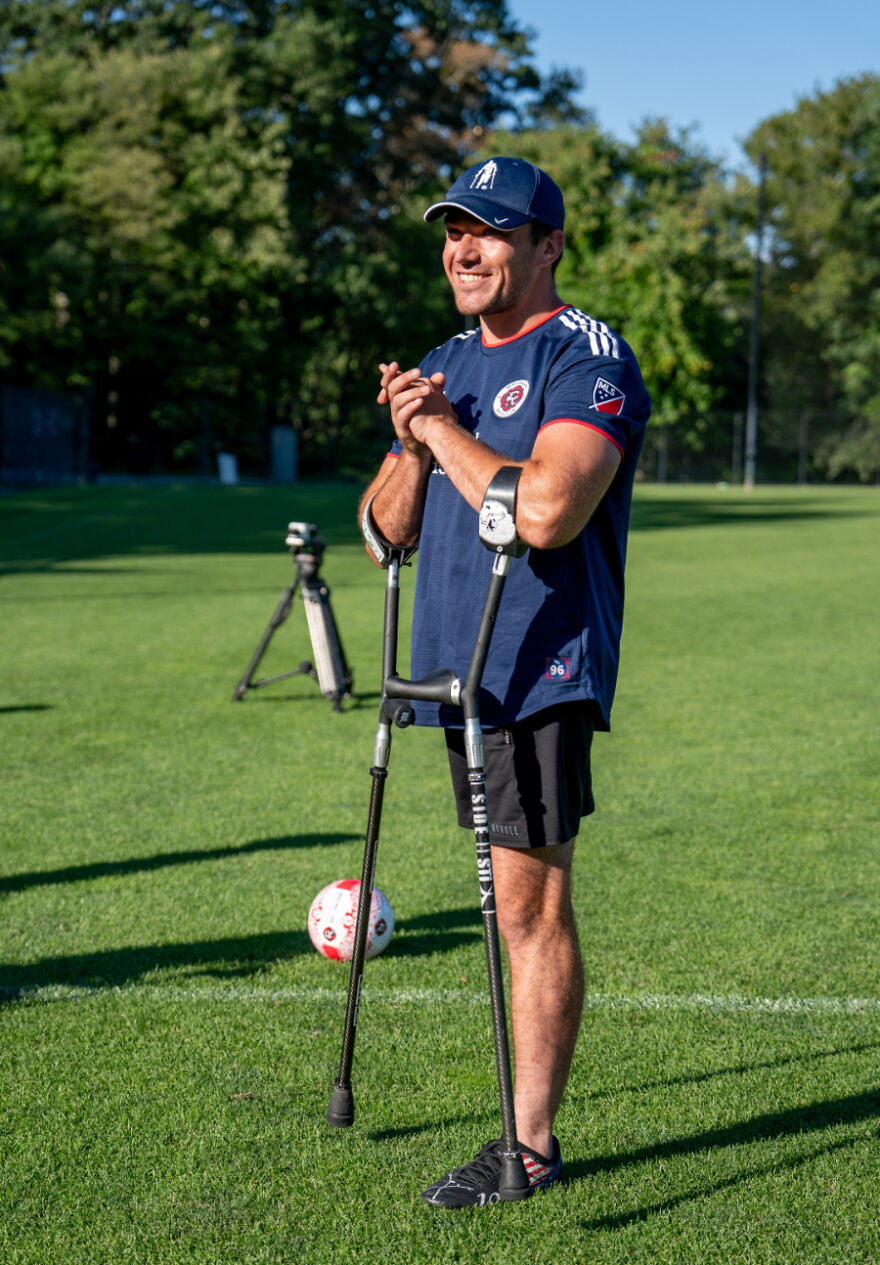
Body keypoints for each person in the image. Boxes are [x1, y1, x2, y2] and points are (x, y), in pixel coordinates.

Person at [359, 155, 651, 1207]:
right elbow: (380, 534)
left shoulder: (587, 357)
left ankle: (527, 1147)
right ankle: (526, 1134)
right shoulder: (443, 359)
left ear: (547, 245)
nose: (463, 250)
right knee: (503, 899)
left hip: (537, 667)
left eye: (489, 231)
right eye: (453, 231)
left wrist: (438, 430)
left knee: (527, 905)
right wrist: (407, 439)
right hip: (451, 668)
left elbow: (545, 514)